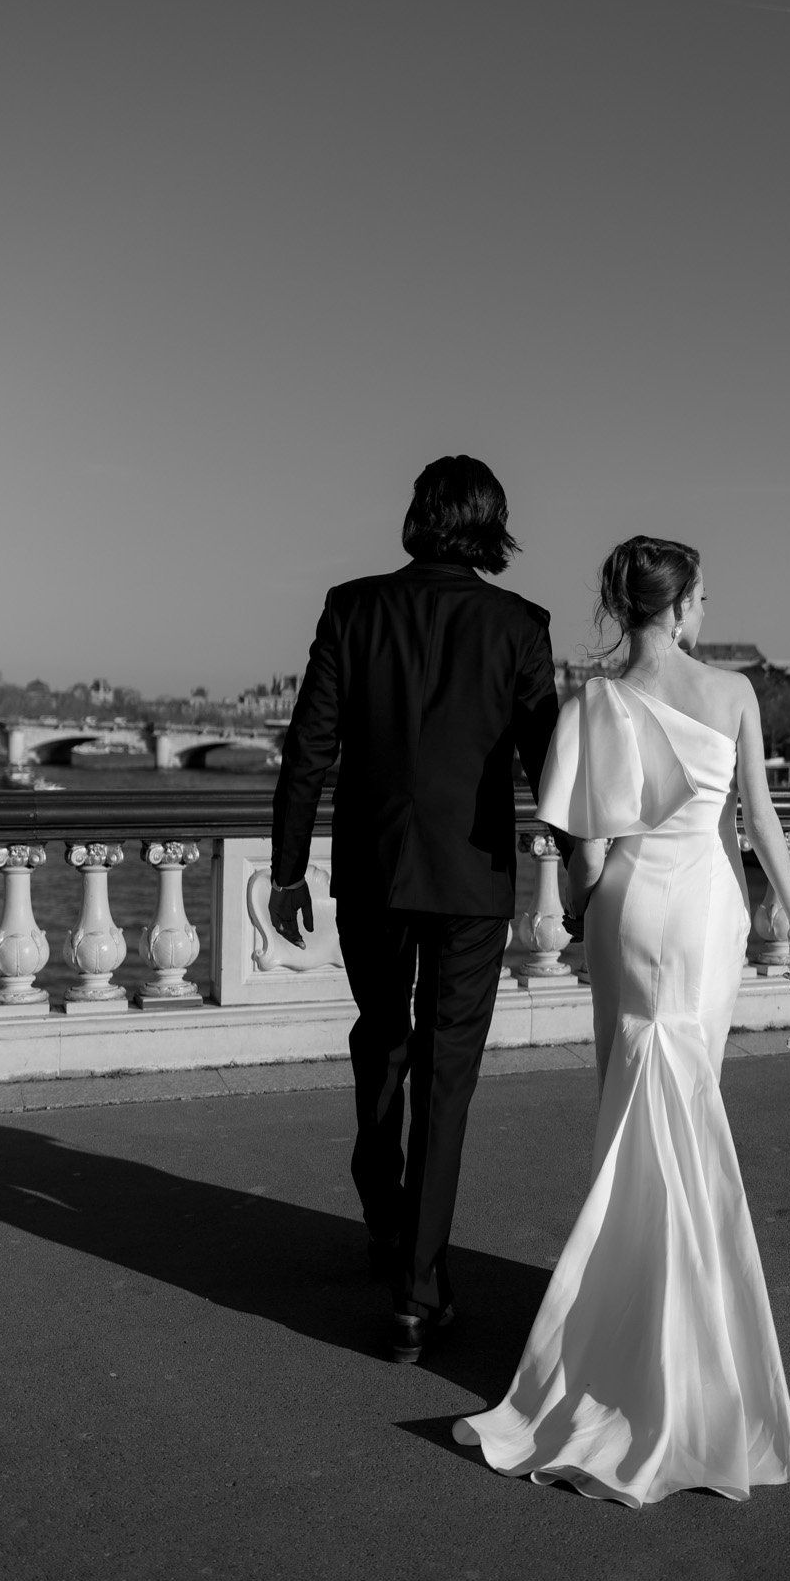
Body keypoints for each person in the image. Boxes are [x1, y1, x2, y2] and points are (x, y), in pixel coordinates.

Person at [453, 535, 790, 1504]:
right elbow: (760, 817)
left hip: (625, 902)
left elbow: (576, 829)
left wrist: (580, 906)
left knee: (628, 1111)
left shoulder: (593, 697)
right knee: (691, 1108)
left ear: (624, 605)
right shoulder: (732, 691)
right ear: (687, 603)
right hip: (704, 905)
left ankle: (625, 1327)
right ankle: (689, 1344)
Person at [269, 455, 558, 1361]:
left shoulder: (351, 606)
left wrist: (287, 871)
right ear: (492, 526)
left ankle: (384, 1220)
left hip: (375, 870)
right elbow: (552, 766)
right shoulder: (519, 625)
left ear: (416, 516)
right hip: (472, 879)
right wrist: (591, 867)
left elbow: (308, 747)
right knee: (447, 1076)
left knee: (379, 1040)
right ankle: (417, 1290)